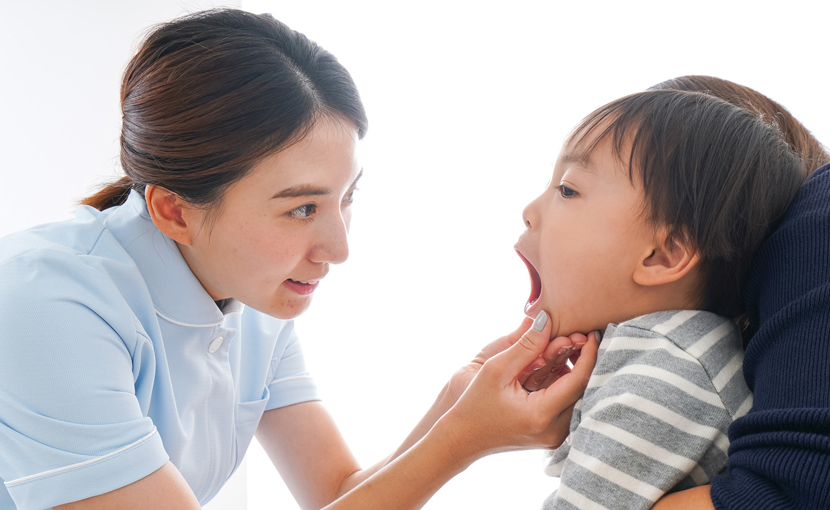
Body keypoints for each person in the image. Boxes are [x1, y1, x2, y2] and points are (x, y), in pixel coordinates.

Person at [0, 9, 599, 510]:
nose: (339, 249)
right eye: (301, 209)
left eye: (347, 198)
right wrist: (465, 439)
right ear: (175, 211)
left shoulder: (250, 294)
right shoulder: (45, 301)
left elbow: (339, 493)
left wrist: (459, 402)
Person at [513, 89, 805, 509]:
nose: (529, 210)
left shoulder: (663, 378)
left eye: (568, 190)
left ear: (662, 255)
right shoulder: (680, 352)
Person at [644, 79, 830, 509]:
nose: (529, 212)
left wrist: (461, 436)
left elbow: (799, 490)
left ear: (669, 250)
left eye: (570, 191)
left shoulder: (817, 213)